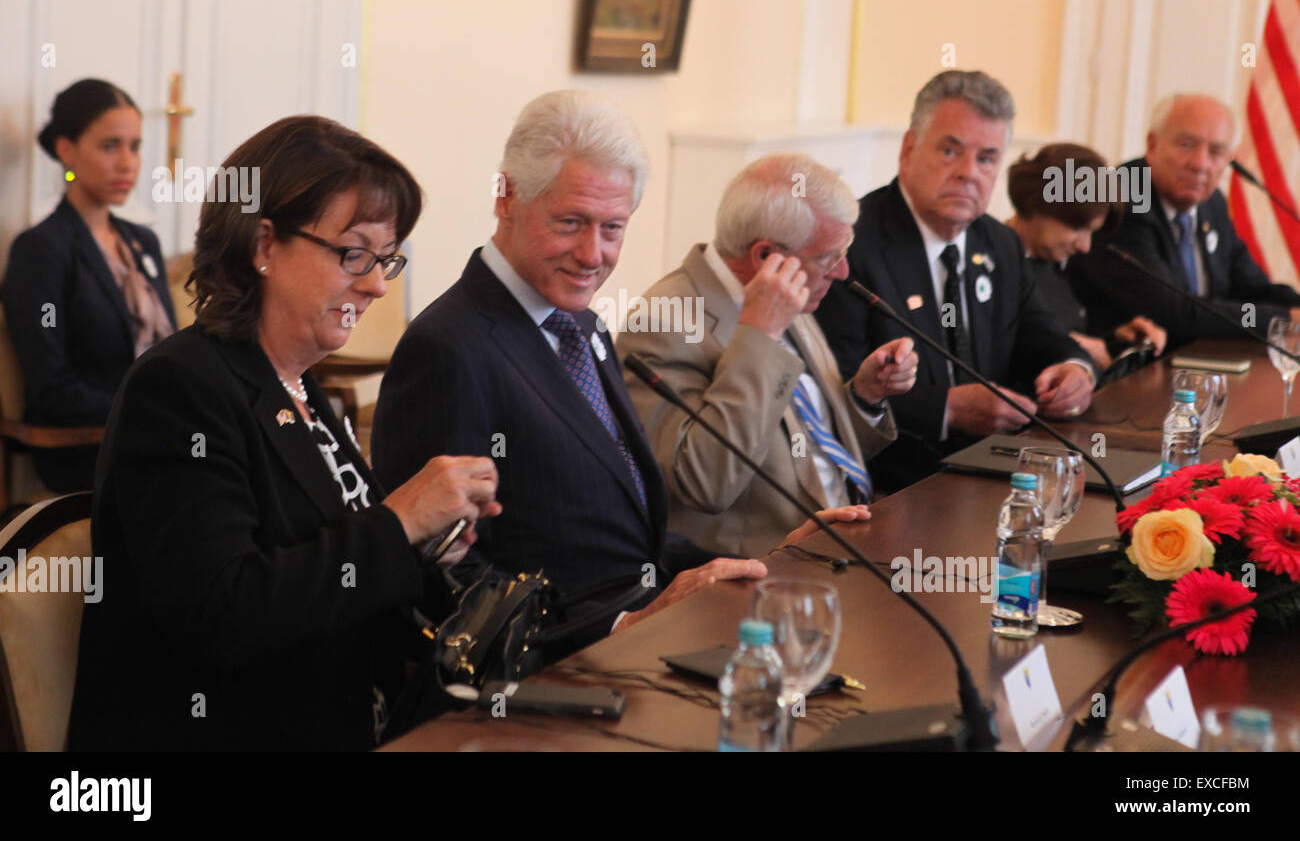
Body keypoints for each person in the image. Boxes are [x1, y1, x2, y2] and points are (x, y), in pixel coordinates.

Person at [68, 116, 498, 751]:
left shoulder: (299, 386)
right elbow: (222, 614)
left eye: (386, 258)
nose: (379, 285)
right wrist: (399, 520)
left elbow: (337, 572)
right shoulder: (179, 388)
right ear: (264, 244)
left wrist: (431, 546)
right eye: (354, 253)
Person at [373, 91, 860, 642]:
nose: (592, 255)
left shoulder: (582, 323)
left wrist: (768, 559)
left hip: (642, 643)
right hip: (550, 684)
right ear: (505, 199)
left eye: (613, 228)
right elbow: (442, 576)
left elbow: (626, 535)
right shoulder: (447, 347)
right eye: (570, 222)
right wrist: (619, 625)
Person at [618, 152, 917, 557]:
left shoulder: (791, 293)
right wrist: (758, 335)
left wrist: (863, 397)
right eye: (829, 257)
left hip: (852, 539)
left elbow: (809, 448)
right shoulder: (664, 321)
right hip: (759, 576)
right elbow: (703, 483)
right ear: (766, 256)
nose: (843, 272)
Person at [815, 70, 1095, 493]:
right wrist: (945, 410)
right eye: (951, 151)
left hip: (995, 477)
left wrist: (1074, 371)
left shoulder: (999, 243)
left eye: (986, 158)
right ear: (909, 149)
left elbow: (1046, 339)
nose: (969, 173)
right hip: (892, 488)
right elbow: (836, 388)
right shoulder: (851, 246)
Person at [2, 79, 176, 493]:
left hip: (165, 428)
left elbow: (173, 346)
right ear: (66, 150)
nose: (128, 163)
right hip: (93, 444)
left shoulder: (143, 241)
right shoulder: (41, 249)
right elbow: (52, 389)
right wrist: (153, 410)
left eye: (134, 147)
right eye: (110, 146)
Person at [1069, 94, 1300, 349]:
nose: (1200, 164)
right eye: (1186, 145)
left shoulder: (1212, 204)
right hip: (1131, 370)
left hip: (1200, 362)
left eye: (1216, 152)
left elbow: (1252, 288)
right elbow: (1172, 312)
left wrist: (1294, 307)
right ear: (1153, 146)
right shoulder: (1122, 199)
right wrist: (1285, 319)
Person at [1005, 142, 1167, 372]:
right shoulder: (994, 262)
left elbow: (1068, 331)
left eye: (1092, 232)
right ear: (1035, 204)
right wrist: (1070, 346)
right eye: (1078, 227)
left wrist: (1114, 340)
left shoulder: (1059, 264)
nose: (1085, 247)